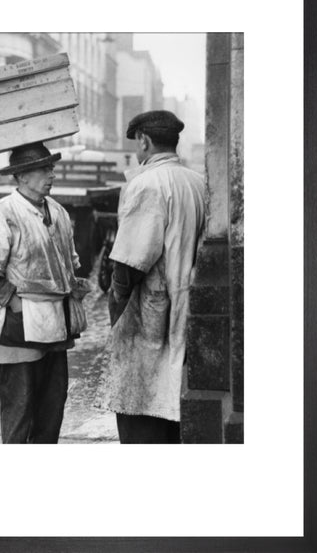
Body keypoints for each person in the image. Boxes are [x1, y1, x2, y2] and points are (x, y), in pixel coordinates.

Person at [0, 142, 90, 444]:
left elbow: (69, 261)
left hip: (57, 327)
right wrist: (17, 304)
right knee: (20, 409)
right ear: (21, 176)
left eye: (52, 167)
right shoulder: (0, 215)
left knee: (51, 409)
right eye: (44, 169)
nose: (52, 174)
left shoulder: (59, 212)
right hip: (18, 329)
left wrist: (74, 284)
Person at [95, 110, 205, 444]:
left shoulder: (146, 183)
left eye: (136, 144)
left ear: (143, 140)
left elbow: (129, 261)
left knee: (141, 409)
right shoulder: (197, 181)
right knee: (173, 407)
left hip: (151, 314)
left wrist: (117, 310)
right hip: (188, 306)